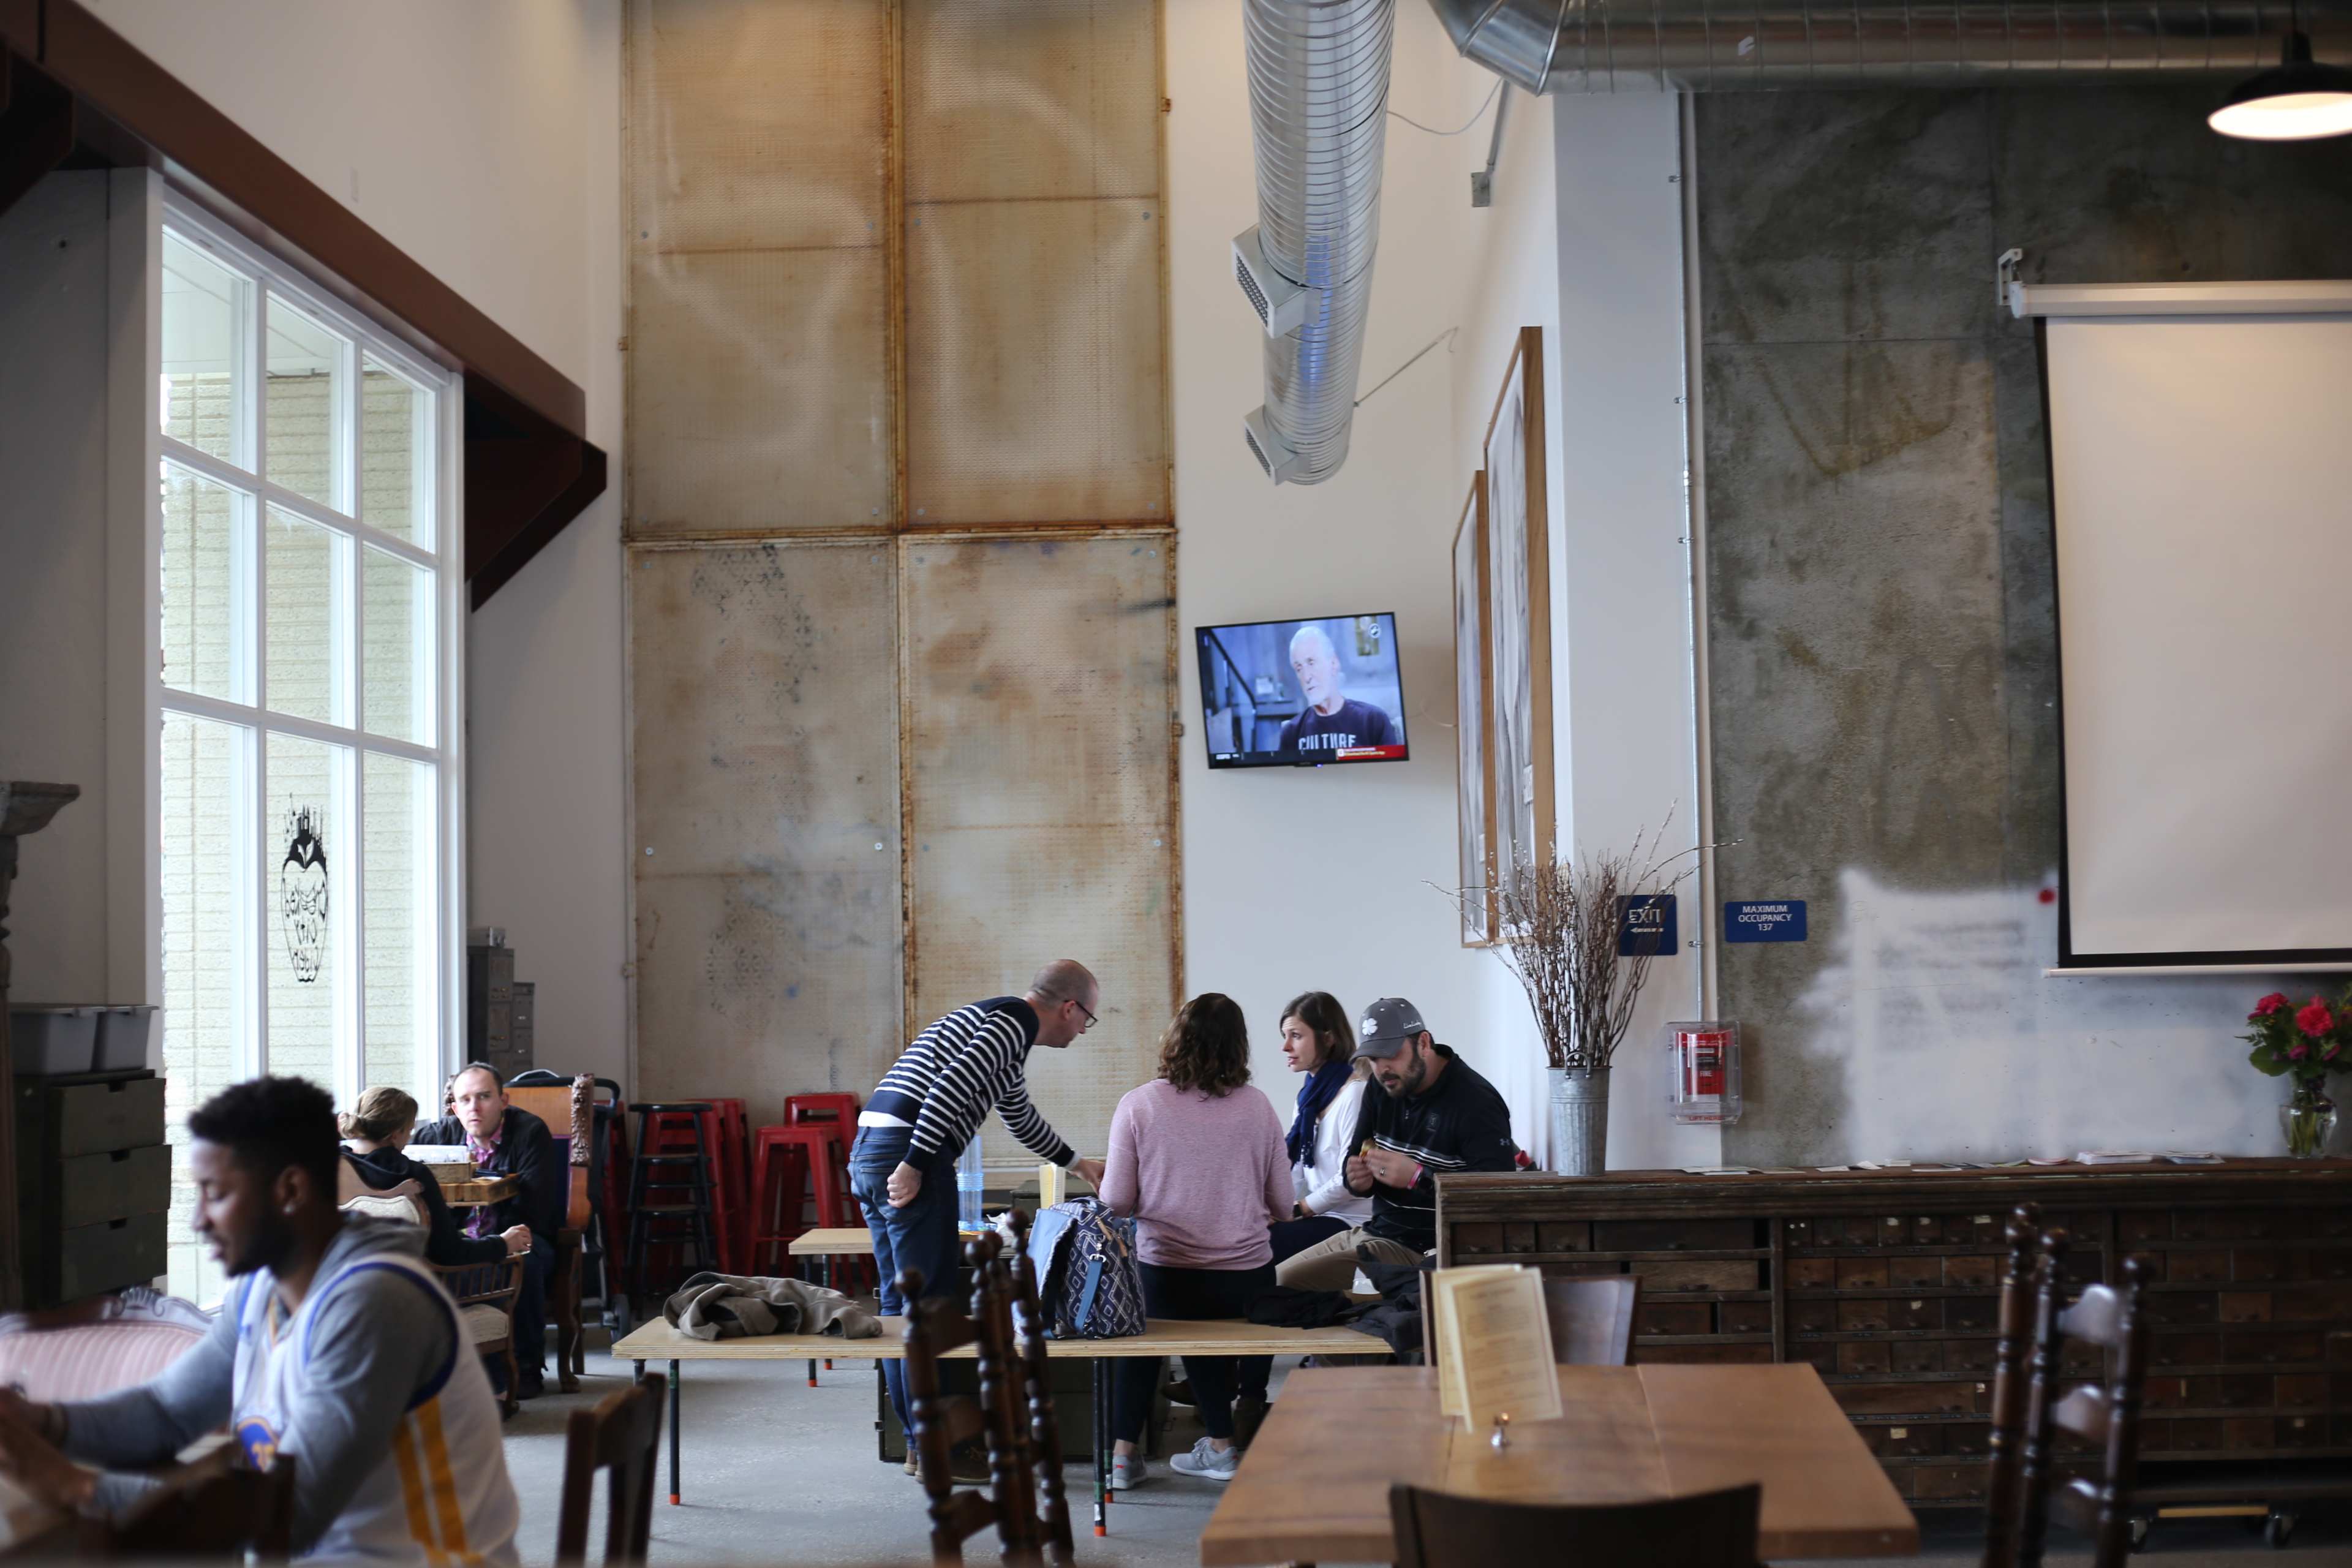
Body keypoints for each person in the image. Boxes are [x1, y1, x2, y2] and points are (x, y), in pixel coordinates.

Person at [0, 1077, 521, 1564]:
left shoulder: (376, 1302)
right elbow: (167, 1412)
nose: (198, 1220)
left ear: (291, 1191)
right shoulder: (264, 1285)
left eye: (218, 1193)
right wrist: (42, 1422)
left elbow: (288, 1515)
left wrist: (72, 1484)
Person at [850, 959, 1109, 1463]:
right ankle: (938, 1445)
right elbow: (949, 1088)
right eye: (1087, 1020)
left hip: (870, 1147)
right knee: (929, 1310)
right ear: (1069, 1007)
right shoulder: (1012, 1023)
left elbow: (1019, 1117)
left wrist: (1080, 1165)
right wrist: (916, 1164)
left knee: (899, 1309)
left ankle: (918, 1444)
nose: (1083, 1031)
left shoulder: (998, 1032)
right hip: (906, 1151)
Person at [1099, 994, 1291, 1488]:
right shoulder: (1259, 1107)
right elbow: (1285, 1205)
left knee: (1140, 1334)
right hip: (1245, 1279)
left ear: (1175, 1038)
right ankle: (1222, 1446)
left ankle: (1123, 1458)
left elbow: (1115, 1202)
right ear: (1239, 1048)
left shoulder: (1139, 1105)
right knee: (1201, 1325)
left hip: (1165, 1274)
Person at [1274, 997, 1517, 1292]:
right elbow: (1355, 1166)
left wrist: (1419, 1178)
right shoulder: (1380, 1087)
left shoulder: (1476, 1103)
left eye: (1391, 1054)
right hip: (1376, 1231)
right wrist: (1358, 1180)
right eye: (1374, 1059)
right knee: (1274, 1280)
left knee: (1289, 1285)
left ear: (1424, 1043)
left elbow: (1499, 1199)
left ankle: (1393, 1297)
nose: (1382, 1068)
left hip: (1427, 1247)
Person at [413, 1063, 564, 1399]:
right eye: (464, 1100)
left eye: (484, 1097)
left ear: (503, 1100)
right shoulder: (432, 1138)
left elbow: (536, 1204)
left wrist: (500, 1240)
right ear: (454, 1107)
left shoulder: (530, 1131)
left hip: (521, 1230)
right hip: (459, 1238)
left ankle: (527, 1367)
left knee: (526, 1262)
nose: (474, 1108)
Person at [341, 1085, 533, 1270]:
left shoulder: (331, 1168)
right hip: (420, 1288)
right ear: (395, 1134)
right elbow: (450, 1252)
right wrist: (503, 1243)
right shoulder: (413, 1175)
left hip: (341, 1287)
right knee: (516, 1270)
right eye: (409, 1131)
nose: (408, 1139)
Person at [1268, 990, 1373, 1262]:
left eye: (1296, 1036)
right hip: (1323, 1215)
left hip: (1352, 1221)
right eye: (1285, 1037)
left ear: (1328, 1038)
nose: (1286, 1047)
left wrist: (1300, 1209)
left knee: (1263, 1247)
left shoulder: (1355, 1093)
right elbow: (1297, 1170)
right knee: (1250, 1235)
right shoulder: (1307, 1100)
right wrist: (1275, 1209)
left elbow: (1347, 1180)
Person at [1275, 624, 1396, 756]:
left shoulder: (1373, 720)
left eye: (1311, 662)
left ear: (1334, 664)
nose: (1306, 677)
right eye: (1299, 669)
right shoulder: (1291, 732)